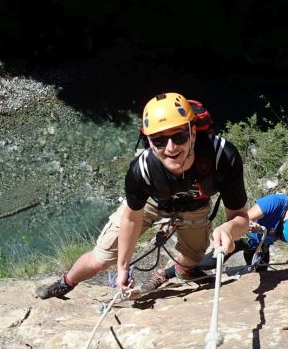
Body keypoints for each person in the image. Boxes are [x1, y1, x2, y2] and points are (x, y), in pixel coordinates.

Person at [35, 92, 250, 299]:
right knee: (100, 259)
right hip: (151, 202)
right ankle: (66, 282)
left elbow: (240, 217)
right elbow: (131, 217)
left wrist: (229, 228)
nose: (171, 148)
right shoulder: (142, 169)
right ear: (149, 140)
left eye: (179, 136)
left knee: (193, 258)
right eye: (159, 141)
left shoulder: (222, 157)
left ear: (193, 132)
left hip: (196, 205)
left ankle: (175, 272)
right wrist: (122, 267)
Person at [139, 193, 288, 292]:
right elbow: (240, 220)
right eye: (280, 231)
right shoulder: (275, 203)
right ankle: (165, 274)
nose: (279, 233)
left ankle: (206, 276)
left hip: (261, 245)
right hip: (245, 236)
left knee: (260, 273)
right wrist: (249, 226)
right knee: (208, 261)